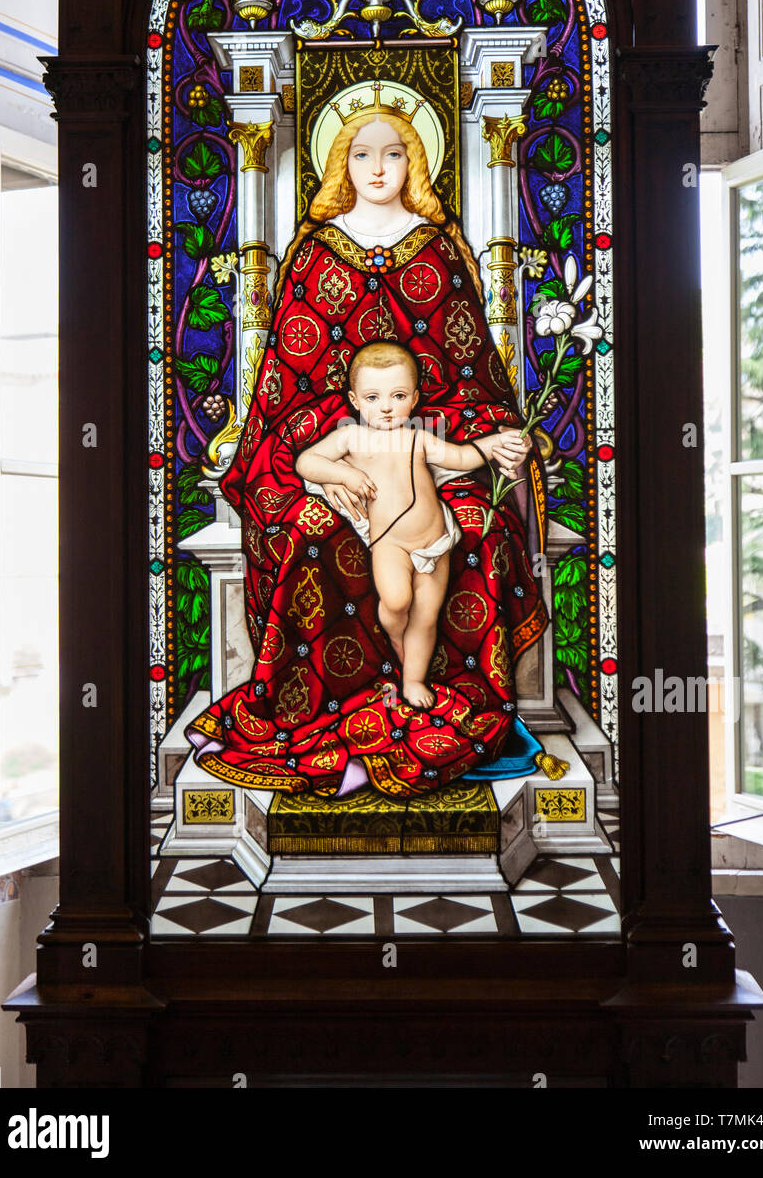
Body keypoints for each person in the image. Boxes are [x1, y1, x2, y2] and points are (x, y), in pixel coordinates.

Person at [186, 102, 549, 800]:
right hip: (333, 433)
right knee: (305, 528)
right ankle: (322, 702)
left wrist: (487, 435)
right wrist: (337, 457)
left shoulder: (439, 248)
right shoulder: (316, 250)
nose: (378, 169)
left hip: (429, 438)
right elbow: (287, 380)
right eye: (362, 155)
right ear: (339, 163)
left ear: (417, 160)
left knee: (480, 526)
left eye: (393, 154)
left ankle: (419, 685)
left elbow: (469, 372)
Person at [296, 342, 528, 715]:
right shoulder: (350, 438)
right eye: (373, 397)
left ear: (415, 398)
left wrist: (495, 443)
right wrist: (344, 473)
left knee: (425, 615)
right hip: (390, 544)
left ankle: (413, 679)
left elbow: (462, 456)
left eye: (398, 395)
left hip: (436, 541)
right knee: (397, 601)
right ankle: (392, 630)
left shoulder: (418, 438)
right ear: (354, 399)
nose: (386, 407)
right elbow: (308, 462)